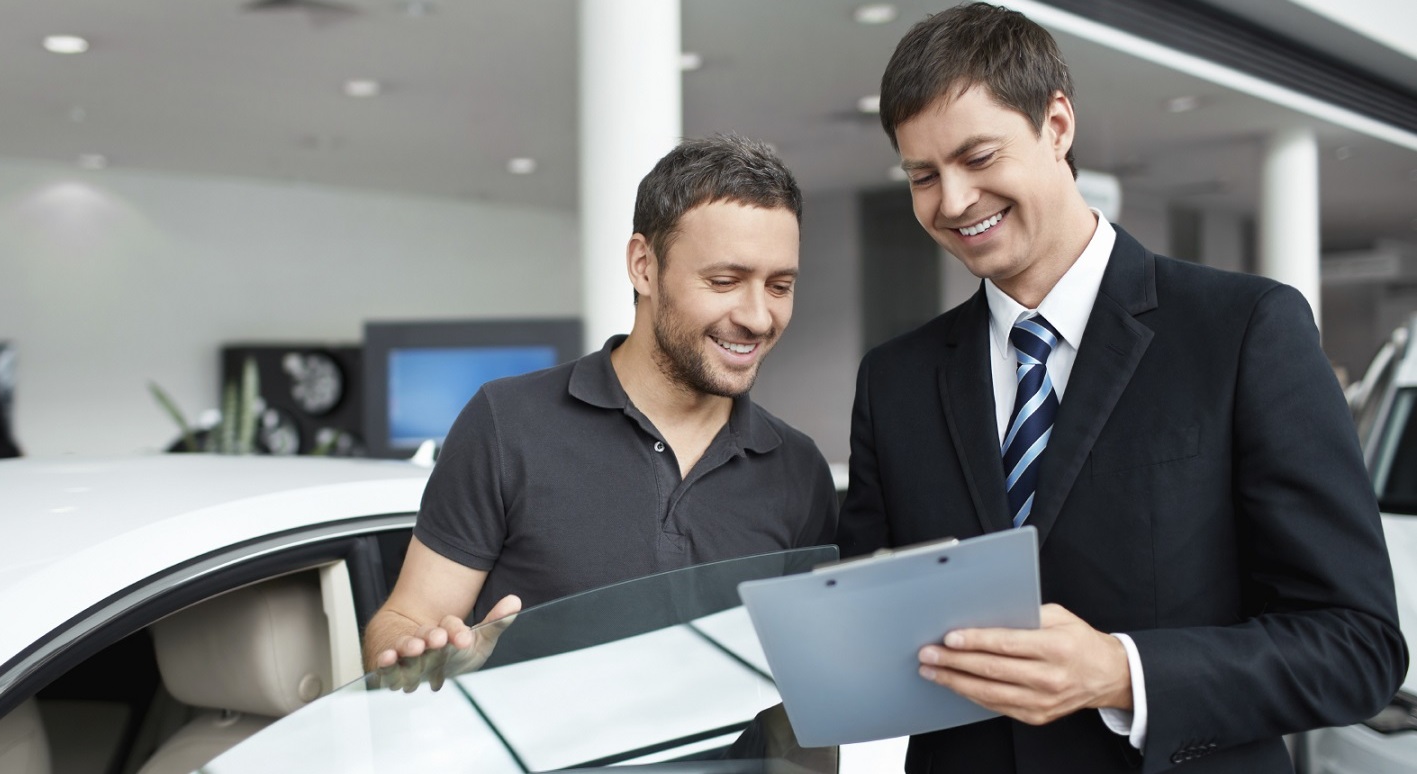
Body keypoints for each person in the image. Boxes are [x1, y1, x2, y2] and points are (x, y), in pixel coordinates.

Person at [839, 4, 1407, 771]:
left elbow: (1355, 645)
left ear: (1057, 126)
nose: (951, 201)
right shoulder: (895, 380)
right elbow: (868, 625)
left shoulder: (1243, 331)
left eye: (978, 157)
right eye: (922, 176)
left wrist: (1121, 673)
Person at [364, 134, 839, 679]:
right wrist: (418, 654)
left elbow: (806, 683)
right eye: (725, 281)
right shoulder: (506, 423)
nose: (758, 317)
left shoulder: (798, 471)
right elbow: (404, 618)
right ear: (643, 266)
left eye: (780, 286)